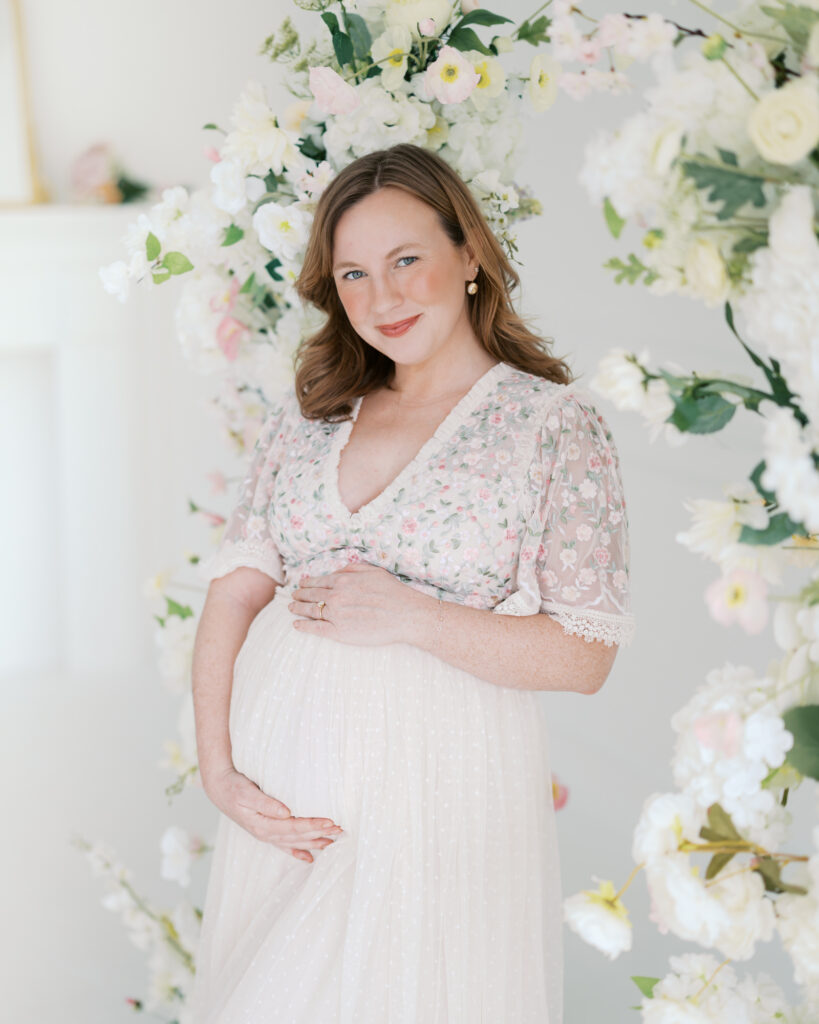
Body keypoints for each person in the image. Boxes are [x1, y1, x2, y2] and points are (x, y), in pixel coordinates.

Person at [187, 142, 635, 1024]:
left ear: (468, 254)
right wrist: (219, 771)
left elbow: (585, 656)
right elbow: (233, 590)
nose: (381, 299)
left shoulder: (550, 426)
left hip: (435, 798)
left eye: (405, 260)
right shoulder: (311, 417)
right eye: (352, 274)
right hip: (284, 805)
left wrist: (415, 617)